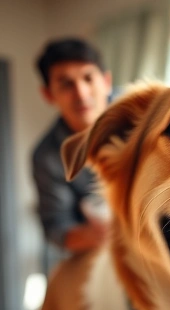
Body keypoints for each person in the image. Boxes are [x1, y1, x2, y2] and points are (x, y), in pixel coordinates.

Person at [32, 38, 112, 264]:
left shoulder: (145, 110)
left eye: (88, 78)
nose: (81, 92)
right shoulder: (46, 157)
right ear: (48, 94)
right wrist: (110, 232)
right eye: (66, 84)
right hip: (106, 252)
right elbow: (58, 228)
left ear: (106, 81)